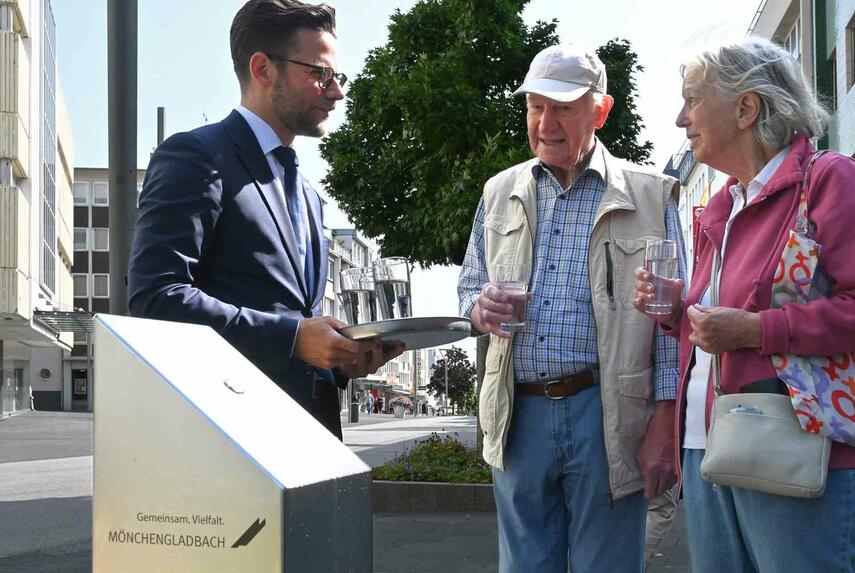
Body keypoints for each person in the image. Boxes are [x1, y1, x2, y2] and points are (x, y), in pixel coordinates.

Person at [128, 0, 402, 440]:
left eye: (337, 77)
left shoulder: (310, 197)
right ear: (263, 69)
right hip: (230, 439)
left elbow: (301, 317)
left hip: (310, 437)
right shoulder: (198, 157)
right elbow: (156, 298)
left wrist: (342, 360)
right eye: (320, 74)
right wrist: (292, 337)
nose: (336, 92)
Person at [458, 44, 684, 573]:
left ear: (600, 111)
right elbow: (469, 286)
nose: (545, 122)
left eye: (562, 107)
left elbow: (672, 325)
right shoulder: (498, 192)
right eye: (536, 107)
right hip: (520, 412)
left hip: (608, 412)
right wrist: (478, 309)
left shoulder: (652, 197)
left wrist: (664, 423)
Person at [634, 38, 855, 572]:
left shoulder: (828, 180)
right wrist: (674, 313)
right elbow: (717, 326)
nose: (680, 117)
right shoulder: (721, 204)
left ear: (746, 107)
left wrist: (758, 330)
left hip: (797, 446)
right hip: (709, 444)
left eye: (692, 99)